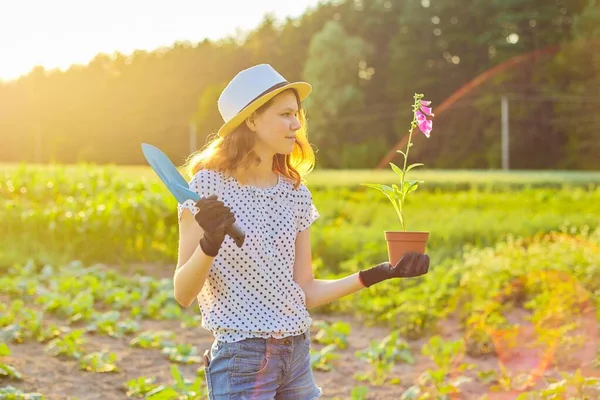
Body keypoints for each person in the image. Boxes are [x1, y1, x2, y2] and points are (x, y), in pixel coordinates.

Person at [174, 64, 430, 400]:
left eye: (297, 114)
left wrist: (379, 273)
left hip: (296, 354)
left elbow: (304, 289)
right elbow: (183, 293)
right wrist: (210, 242)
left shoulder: (295, 192)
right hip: (243, 359)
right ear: (251, 120)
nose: (296, 124)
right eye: (285, 114)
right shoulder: (207, 187)